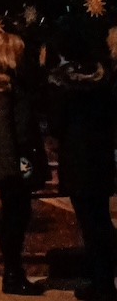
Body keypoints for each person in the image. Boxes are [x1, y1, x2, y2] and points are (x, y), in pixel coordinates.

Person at [0, 30, 47, 296]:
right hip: (12, 163)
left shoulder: (10, 82)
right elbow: (1, 127)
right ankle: (12, 274)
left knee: (18, 215)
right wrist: (11, 166)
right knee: (14, 217)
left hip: (17, 159)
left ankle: (14, 272)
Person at [48, 30, 117, 301]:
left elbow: (56, 124)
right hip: (99, 159)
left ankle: (101, 283)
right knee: (101, 220)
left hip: (78, 161)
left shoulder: (64, 85)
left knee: (90, 223)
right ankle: (104, 276)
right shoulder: (103, 80)